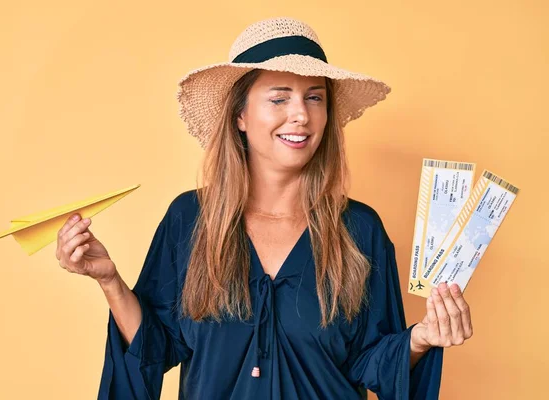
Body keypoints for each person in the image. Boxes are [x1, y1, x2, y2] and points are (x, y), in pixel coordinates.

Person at [55, 17, 473, 399]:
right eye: (279, 99)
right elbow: (157, 347)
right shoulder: (190, 220)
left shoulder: (359, 230)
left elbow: (371, 361)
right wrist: (109, 281)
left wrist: (420, 338)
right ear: (240, 115)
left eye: (314, 98)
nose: (301, 116)